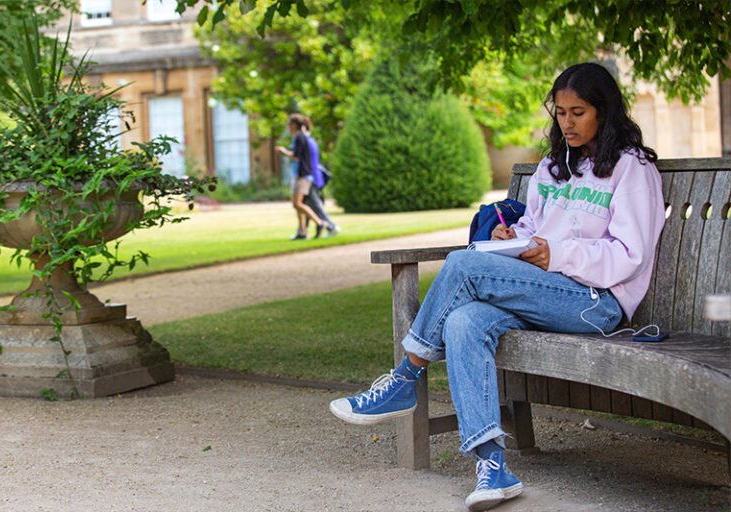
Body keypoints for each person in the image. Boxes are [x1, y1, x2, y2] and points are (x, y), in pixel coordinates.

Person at [329, 62, 665, 511]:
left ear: (605, 112)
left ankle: (406, 377)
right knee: (465, 321)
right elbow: (534, 225)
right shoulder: (554, 166)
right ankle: (493, 466)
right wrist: (514, 236)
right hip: (542, 290)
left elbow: (631, 255)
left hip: (595, 304)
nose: (567, 122)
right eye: (560, 112)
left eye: (578, 112)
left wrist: (557, 255)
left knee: (462, 265)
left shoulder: (631, 169)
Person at [275, 114, 327, 240]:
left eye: (288, 124)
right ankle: (302, 232)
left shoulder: (300, 137)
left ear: (293, 125)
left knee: (297, 204)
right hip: (299, 175)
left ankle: (320, 223)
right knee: (299, 204)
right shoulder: (299, 138)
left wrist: (283, 152)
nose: (287, 127)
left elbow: (296, 156)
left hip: (302, 175)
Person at [302, 123, 340, 238]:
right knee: (306, 205)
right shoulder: (310, 141)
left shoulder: (307, 142)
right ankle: (303, 232)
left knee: (314, 206)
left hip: (311, 179)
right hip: (313, 178)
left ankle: (331, 227)